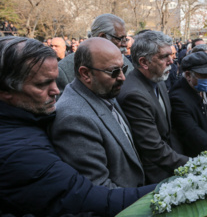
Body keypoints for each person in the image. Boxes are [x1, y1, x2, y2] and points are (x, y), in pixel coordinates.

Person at [0, 37, 154, 216]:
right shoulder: (21, 150)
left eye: (54, 80)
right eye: (42, 84)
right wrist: (172, 190)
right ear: (5, 91)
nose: (56, 90)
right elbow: (88, 199)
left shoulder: (103, 92)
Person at [51, 38, 145, 189]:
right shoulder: (74, 119)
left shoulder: (103, 90)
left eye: (123, 69)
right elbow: (100, 189)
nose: (122, 77)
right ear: (86, 73)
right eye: (114, 71)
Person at [117, 30, 189, 184]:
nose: (171, 61)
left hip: (171, 164)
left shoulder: (159, 79)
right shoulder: (134, 95)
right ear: (144, 62)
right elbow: (153, 149)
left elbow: (169, 131)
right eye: (164, 57)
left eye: (171, 55)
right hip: (154, 177)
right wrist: (192, 164)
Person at [56, 14, 134, 99]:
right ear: (102, 37)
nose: (124, 44)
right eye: (120, 38)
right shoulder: (64, 71)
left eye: (125, 39)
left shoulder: (126, 62)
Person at [169, 52, 207, 157]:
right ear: (188, 75)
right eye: (204, 75)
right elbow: (192, 132)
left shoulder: (206, 90)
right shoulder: (179, 99)